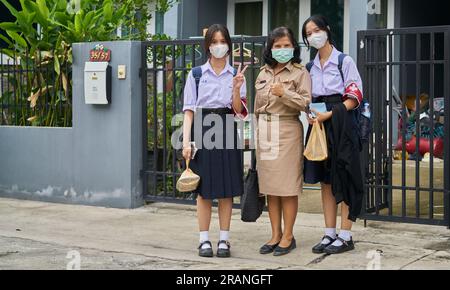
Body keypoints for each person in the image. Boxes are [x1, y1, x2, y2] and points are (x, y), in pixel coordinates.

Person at [182, 24, 248, 258]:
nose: (219, 46)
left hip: (228, 126)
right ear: (208, 45)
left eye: (223, 41)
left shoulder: (236, 75)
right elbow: (189, 110)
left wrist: (236, 89)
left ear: (228, 44)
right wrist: (187, 141)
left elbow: (239, 111)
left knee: (227, 189)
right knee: (204, 190)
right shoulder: (197, 74)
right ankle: (203, 240)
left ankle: (224, 239)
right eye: (214, 41)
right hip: (204, 127)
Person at [302, 15, 364, 255]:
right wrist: (310, 114)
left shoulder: (343, 61)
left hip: (341, 123)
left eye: (317, 30)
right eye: (308, 34)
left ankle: (346, 235)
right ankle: (329, 232)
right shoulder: (310, 66)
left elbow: (354, 96)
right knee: (325, 180)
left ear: (327, 30)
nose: (314, 35)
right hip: (318, 126)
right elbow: (309, 98)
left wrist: (331, 114)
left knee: (345, 175)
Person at [254, 27, 312, 257]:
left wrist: (284, 93)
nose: (282, 50)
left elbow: (306, 104)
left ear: (294, 47)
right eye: (277, 46)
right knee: (271, 188)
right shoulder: (263, 72)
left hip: (288, 129)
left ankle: (288, 236)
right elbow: (258, 106)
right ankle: (275, 234)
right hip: (265, 130)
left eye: (286, 45)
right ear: (270, 48)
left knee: (287, 188)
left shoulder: (300, 72)